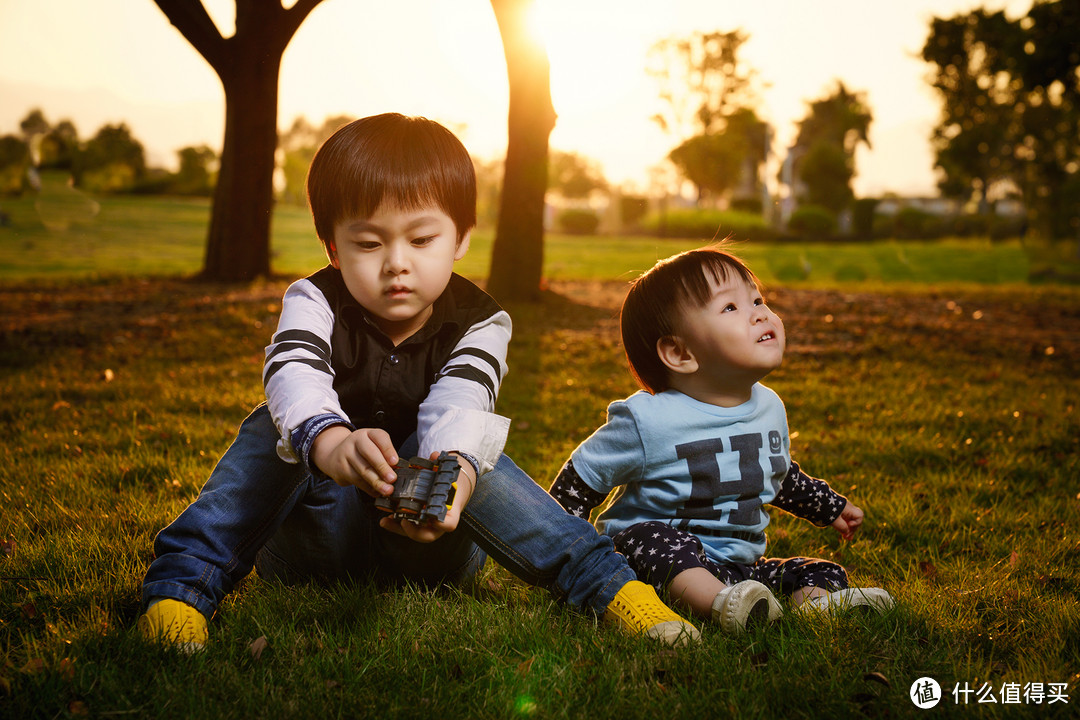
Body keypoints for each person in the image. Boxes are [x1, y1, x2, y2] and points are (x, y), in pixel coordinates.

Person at [138, 114, 698, 651]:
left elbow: (461, 402)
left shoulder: (482, 321)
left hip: (430, 544)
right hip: (316, 543)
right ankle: (182, 588)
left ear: (460, 240)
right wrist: (329, 442)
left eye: (422, 240)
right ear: (333, 248)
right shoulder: (313, 300)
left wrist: (448, 486)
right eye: (368, 243)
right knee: (275, 426)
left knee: (473, 449)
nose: (396, 264)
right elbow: (293, 371)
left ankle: (613, 589)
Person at [549, 246, 893, 633]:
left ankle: (816, 606)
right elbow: (581, 477)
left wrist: (829, 506)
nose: (760, 313)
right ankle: (719, 604)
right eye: (731, 308)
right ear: (679, 353)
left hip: (739, 568)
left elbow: (775, 475)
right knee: (652, 539)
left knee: (817, 570)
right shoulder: (649, 419)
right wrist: (569, 555)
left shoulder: (769, 407)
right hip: (648, 563)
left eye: (757, 299)